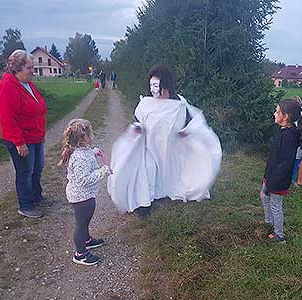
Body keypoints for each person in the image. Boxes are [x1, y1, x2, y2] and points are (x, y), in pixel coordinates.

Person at [107, 64, 222, 216]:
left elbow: (192, 123)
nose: (153, 89)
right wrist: (137, 128)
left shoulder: (179, 105)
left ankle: (161, 193)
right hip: (148, 148)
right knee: (148, 169)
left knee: (169, 174)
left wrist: (186, 133)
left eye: (156, 85)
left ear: (165, 84)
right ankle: (145, 203)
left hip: (170, 150)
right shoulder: (145, 104)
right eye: (151, 85)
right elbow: (137, 121)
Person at [0, 49, 52, 219]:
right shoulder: (7, 86)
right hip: (21, 139)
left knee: (37, 168)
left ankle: (36, 197)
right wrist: (19, 142)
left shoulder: (26, 82)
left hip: (35, 136)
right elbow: (7, 118)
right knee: (25, 171)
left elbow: (36, 105)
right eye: (29, 68)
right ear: (17, 68)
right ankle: (26, 205)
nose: (33, 71)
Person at [59, 119, 112, 266]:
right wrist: (103, 171)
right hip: (81, 196)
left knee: (85, 220)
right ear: (83, 139)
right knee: (81, 224)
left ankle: (87, 240)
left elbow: (87, 155)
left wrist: (93, 152)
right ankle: (80, 254)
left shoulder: (82, 150)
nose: (93, 137)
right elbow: (84, 180)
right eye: (91, 134)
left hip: (85, 195)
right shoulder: (79, 157)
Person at [260, 99, 301, 244]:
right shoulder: (282, 130)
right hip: (271, 174)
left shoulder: (289, 135)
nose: (274, 113)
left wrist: (273, 181)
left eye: (277, 111)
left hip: (278, 178)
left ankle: (279, 235)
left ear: (286, 116)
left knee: (275, 205)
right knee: (264, 196)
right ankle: (269, 222)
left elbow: (286, 162)